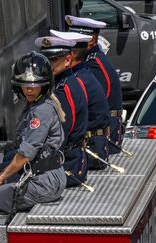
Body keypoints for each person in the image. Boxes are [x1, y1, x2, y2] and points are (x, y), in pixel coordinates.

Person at [0, 51, 66, 214]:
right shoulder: (39, 105)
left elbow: (25, 154)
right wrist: (1, 175)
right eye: (25, 86)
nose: (29, 91)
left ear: (44, 85)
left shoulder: (40, 112)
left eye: (34, 86)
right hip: (43, 176)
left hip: (44, 183)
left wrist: (1, 179)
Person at [51, 30, 110, 170]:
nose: (49, 64)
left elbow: (65, 130)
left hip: (78, 158)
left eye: (53, 59)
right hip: (87, 150)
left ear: (70, 57)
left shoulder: (71, 84)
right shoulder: (75, 77)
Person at [65, 15, 124, 154]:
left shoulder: (93, 65)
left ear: (91, 40)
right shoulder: (93, 58)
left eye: (76, 38)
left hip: (104, 136)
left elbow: (91, 107)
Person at [36, 36, 89, 187]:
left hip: (65, 166)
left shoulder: (62, 92)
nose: (47, 65)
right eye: (44, 60)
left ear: (67, 60)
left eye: (52, 60)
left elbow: (59, 137)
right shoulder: (65, 82)